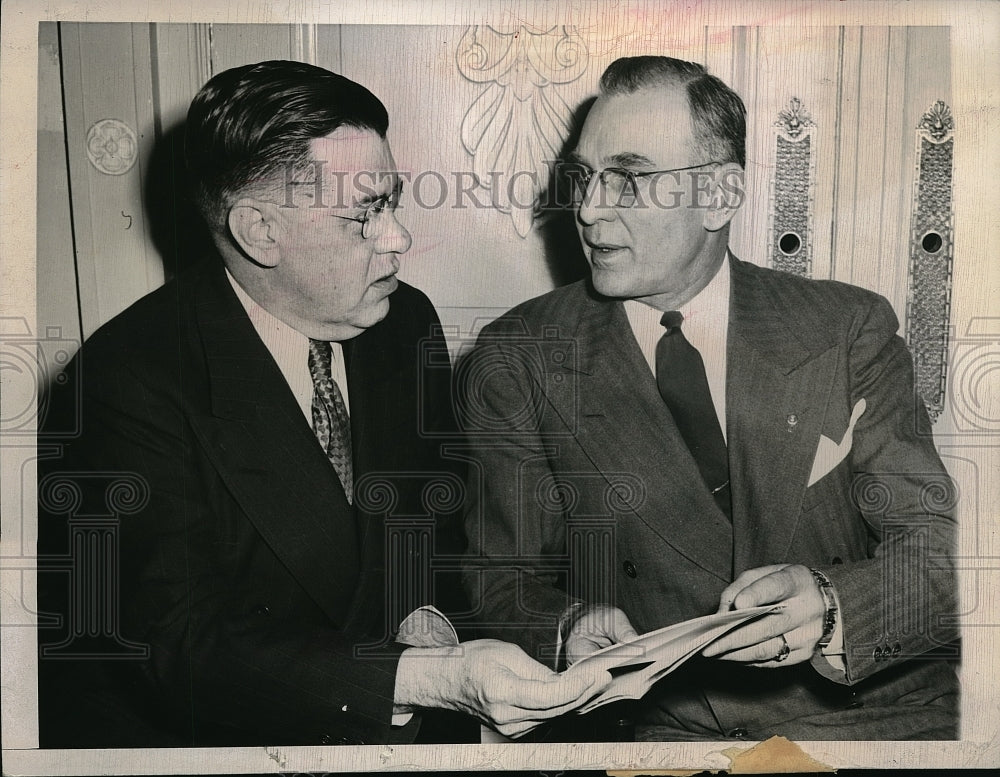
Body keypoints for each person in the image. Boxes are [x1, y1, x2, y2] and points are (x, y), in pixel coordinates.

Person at [36, 60, 609, 748]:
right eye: (365, 213)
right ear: (260, 231)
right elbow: (184, 646)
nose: (397, 237)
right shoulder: (122, 382)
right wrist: (428, 676)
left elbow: (431, 517)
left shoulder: (403, 323)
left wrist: (445, 612)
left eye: (392, 201)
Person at [461, 55, 958, 741]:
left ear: (721, 194)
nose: (588, 208)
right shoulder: (519, 355)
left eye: (628, 179)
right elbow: (500, 580)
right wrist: (566, 623)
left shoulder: (847, 329)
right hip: (671, 731)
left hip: (878, 717)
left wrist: (835, 604)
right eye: (582, 177)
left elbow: (940, 551)